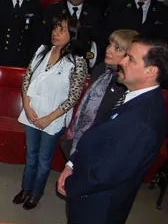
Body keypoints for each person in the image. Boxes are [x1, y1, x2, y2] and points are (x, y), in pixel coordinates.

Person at [59, 37, 168, 224]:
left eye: (131, 59)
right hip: (86, 185)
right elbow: (98, 134)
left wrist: (71, 184)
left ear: (151, 71)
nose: (122, 62)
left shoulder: (142, 123)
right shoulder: (133, 95)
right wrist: (71, 163)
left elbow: (104, 175)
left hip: (96, 209)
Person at [14, 14, 88, 210]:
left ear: (72, 35)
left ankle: (35, 193)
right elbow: (27, 79)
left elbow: (73, 97)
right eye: (55, 28)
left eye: (62, 29)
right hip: (32, 113)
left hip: (52, 119)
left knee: (44, 160)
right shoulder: (41, 52)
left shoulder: (77, 62)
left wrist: (48, 118)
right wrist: (28, 107)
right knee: (30, 155)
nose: (56, 32)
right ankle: (25, 189)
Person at [58, 29, 138, 161]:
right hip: (78, 136)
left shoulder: (127, 83)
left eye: (117, 48)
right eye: (110, 44)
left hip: (100, 145)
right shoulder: (100, 69)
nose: (109, 50)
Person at [43, 0, 102, 68]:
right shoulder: (53, 10)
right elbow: (45, 38)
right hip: (55, 61)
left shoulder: (94, 14)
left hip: (83, 63)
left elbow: (97, 41)